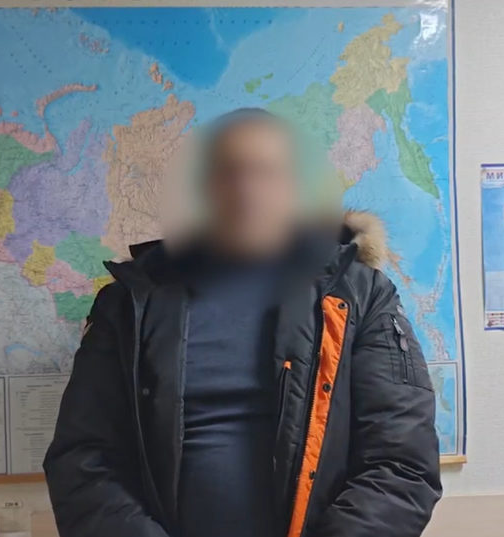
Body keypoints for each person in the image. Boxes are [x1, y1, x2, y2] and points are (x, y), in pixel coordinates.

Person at [43, 108, 442, 537]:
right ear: (205, 186)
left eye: (265, 172)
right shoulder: (130, 303)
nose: (247, 190)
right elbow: (82, 459)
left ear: (292, 186)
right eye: (230, 172)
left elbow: (402, 463)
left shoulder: (359, 296)